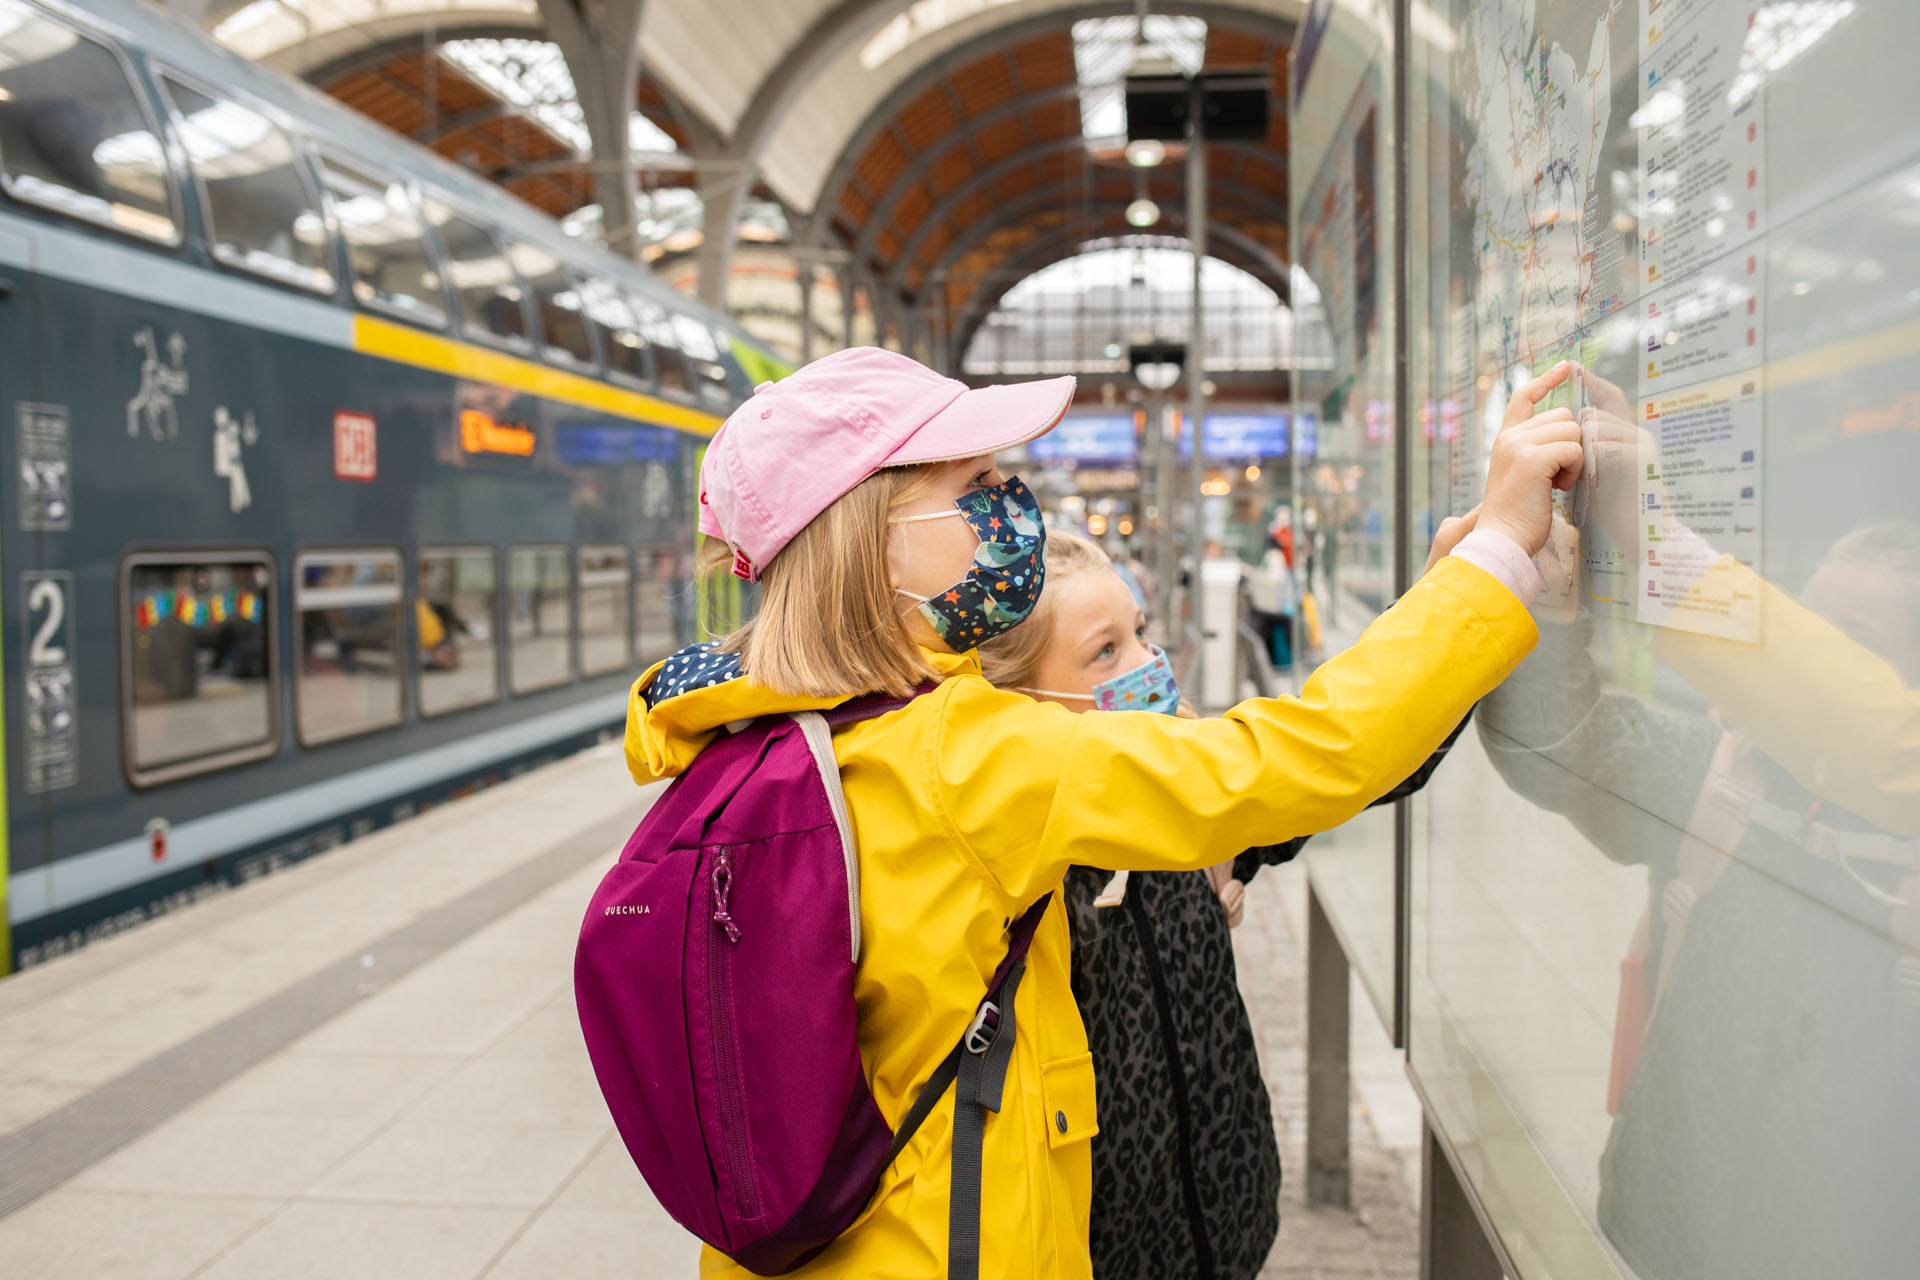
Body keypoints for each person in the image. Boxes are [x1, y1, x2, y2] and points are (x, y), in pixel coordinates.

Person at [623, 346, 1581, 1278]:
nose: (1011, 509)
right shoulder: (964, 755)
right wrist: (1494, 557)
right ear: (873, 537)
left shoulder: (748, 736)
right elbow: (1296, 759)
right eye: (978, 484)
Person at [978, 530, 1475, 1280]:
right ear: (1021, 707)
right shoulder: (1015, 886)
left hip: (1231, 1227)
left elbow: (1358, 768)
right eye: (1104, 654)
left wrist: (1453, 608)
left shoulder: (1191, 801)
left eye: (1140, 634)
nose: (1148, 666)